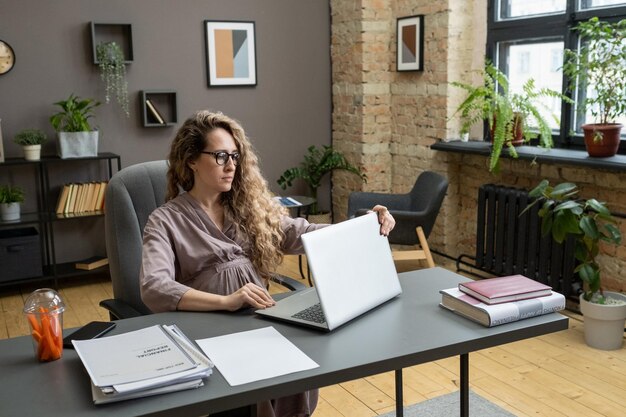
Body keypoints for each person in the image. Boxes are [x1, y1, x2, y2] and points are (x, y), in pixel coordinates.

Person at [139, 110, 395, 417]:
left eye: (235, 156)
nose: (231, 165)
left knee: (300, 365)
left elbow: (304, 234)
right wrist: (226, 301)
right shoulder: (166, 220)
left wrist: (365, 223)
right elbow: (154, 287)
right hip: (209, 327)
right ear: (191, 159)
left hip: (260, 320)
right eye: (220, 156)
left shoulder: (249, 208)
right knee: (259, 382)